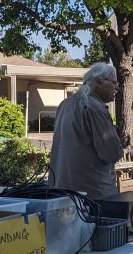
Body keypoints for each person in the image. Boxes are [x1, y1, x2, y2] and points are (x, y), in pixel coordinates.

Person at [48, 62, 124, 198]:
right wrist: (116, 138)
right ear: (100, 82)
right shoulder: (95, 108)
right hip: (92, 193)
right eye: (114, 83)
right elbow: (112, 153)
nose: (117, 88)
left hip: (62, 189)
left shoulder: (65, 104)